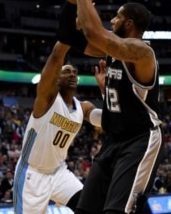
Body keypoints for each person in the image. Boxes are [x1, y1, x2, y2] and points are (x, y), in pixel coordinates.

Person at [56, 0, 165, 214]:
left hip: (140, 141)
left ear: (128, 24)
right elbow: (68, 34)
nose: (111, 20)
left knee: (116, 212)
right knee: (85, 210)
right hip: (114, 141)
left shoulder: (142, 52)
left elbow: (93, 32)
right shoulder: (112, 52)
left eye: (116, 16)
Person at [13, 39, 102, 214]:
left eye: (74, 72)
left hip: (59, 173)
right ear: (56, 78)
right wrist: (68, 35)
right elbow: (55, 57)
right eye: (66, 71)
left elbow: (110, 120)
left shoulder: (82, 108)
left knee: (92, 207)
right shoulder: (47, 99)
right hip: (32, 175)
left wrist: (106, 90)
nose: (72, 74)